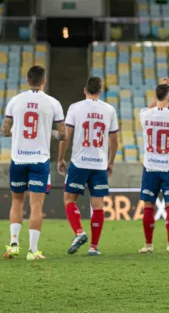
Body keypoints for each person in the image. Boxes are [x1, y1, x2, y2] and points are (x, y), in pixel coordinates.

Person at [3, 66, 66, 260]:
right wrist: (50, 133)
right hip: (39, 160)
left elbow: (4, 130)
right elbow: (63, 134)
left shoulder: (15, 101)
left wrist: (17, 130)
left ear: (27, 80)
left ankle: (13, 244)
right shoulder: (53, 103)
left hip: (19, 158)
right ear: (43, 80)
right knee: (36, 206)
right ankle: (33, 250)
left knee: (16, 200)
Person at [57, 76, 119, 256]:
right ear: (100, 91)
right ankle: (94, 247)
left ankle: (79, 232)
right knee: (98, 205)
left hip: (79, 162)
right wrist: (111, 161)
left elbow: (65, 136)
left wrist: (61, 158)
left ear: (85, 90)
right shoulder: (109, 110)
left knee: (69, 199)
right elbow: (114, 140)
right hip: (99, 163)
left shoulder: (75, 108)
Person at [138, 81, 169, 255]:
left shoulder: (145, 114)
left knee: (148, 205)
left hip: (150, 167)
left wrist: (159, 95)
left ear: (156, 96)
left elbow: (150, 108)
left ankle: (148, 245)